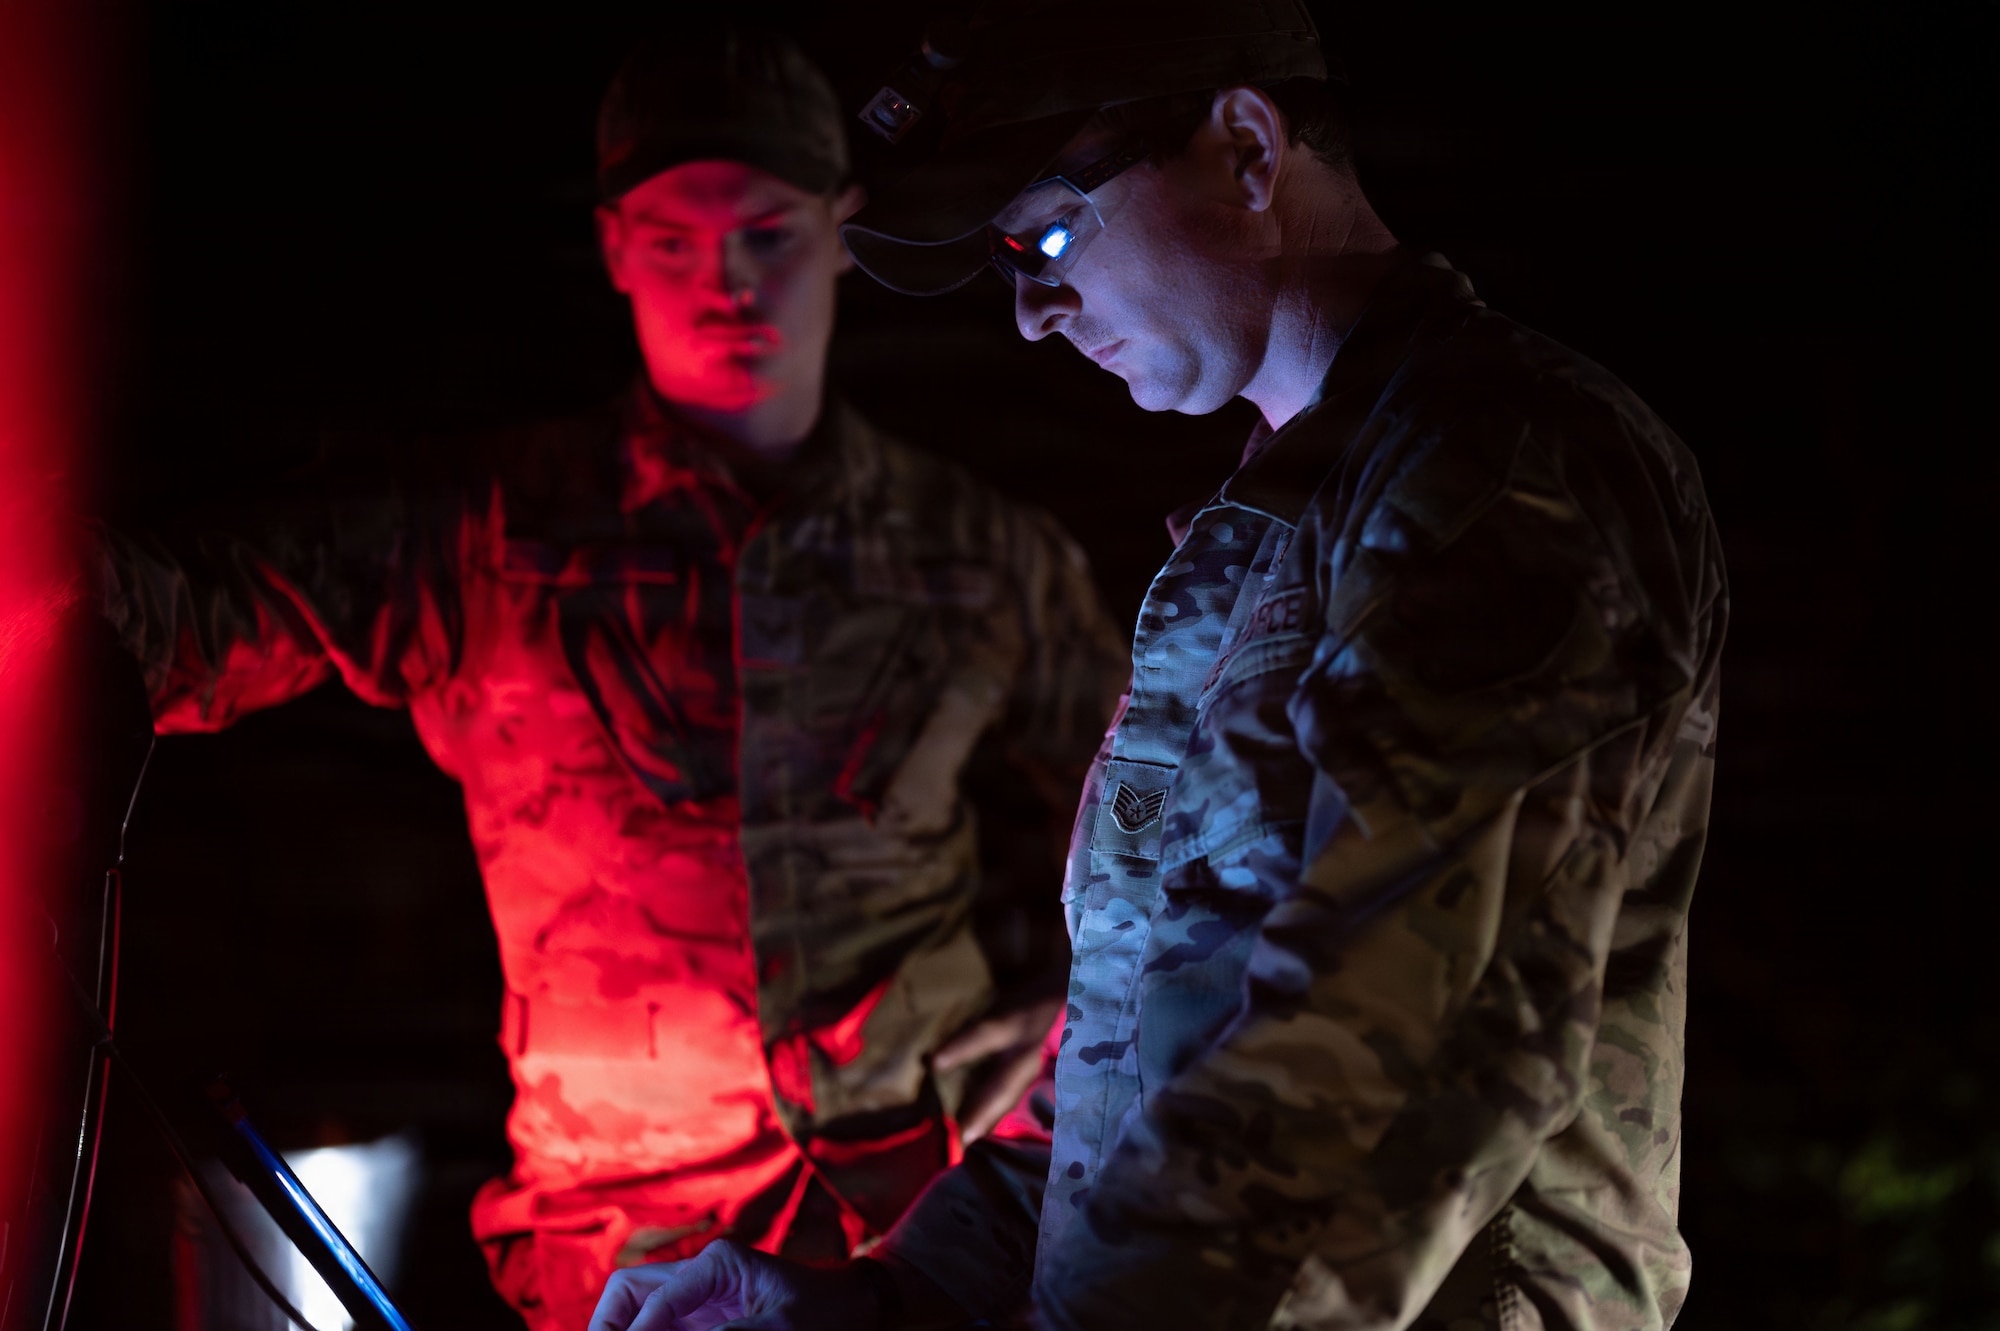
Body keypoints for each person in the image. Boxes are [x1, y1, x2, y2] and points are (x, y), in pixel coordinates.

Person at [588, 3, 1728, 1329]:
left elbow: (1389, 1064)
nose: (1030, 313)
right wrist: (884, 1301)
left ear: (1248, 147)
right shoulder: (1273, 527)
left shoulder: (1504, 481)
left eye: (1048, 235)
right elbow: (1127, 1066)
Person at [92, 25, 1126, 1331]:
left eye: (768, 234)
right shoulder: (488, 532)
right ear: (615, 248)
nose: (727, 285)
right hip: (628, 1263)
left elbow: (1160, 849)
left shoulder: (979, 556)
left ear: (841, 227)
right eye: (675, 241)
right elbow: (179, 612)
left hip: (907, 1248)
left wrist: (1043, 1053)